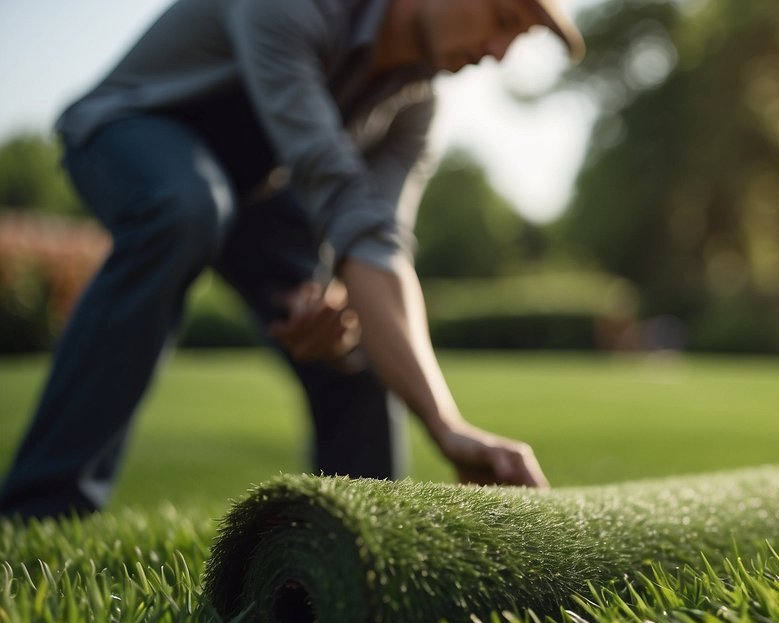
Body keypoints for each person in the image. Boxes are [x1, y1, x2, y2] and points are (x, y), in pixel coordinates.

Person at [0, 0, 583, 520]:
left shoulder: (415, 109)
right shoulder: (296, 6)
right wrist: (446, 428)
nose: (500, 53)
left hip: (251, 191)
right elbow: (326, 175)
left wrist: (328, 303)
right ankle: (43, 506)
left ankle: (360, 534)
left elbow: (377, 246)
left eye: (519, 38)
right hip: (128, 127)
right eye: (503, 19)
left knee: (358, 333)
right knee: (185, 210)